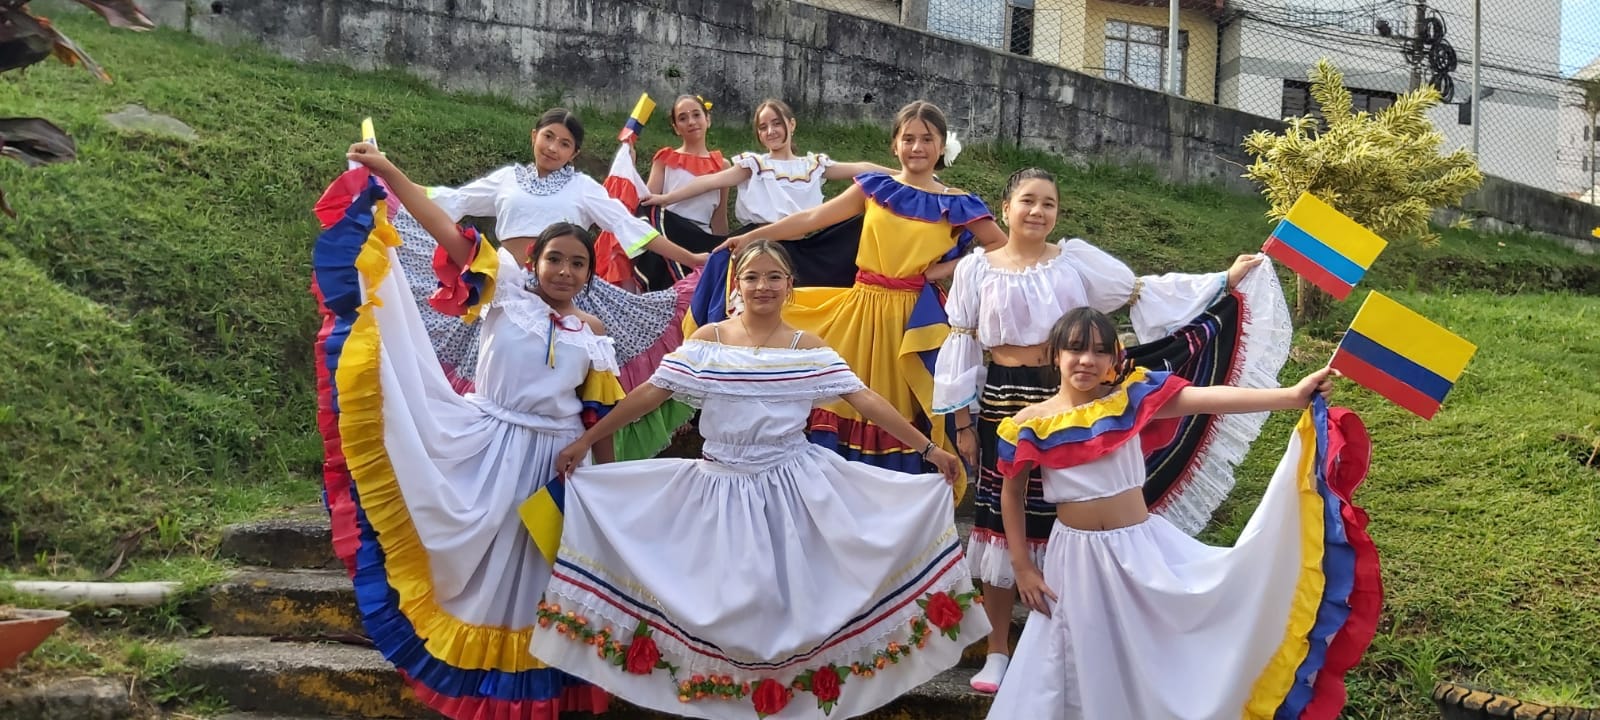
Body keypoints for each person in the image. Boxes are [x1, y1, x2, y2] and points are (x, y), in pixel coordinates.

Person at [525, 241, 991, 720]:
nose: (762, 286)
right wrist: (589, 440)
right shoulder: (709, 340)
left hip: (794, 490)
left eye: (773, 277)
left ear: (790, 286)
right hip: (718, 487)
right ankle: (723, 701)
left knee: (787, 610)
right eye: (751, 277)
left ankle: (787, 704)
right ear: (736, 285)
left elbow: (864, 399)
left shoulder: (805, 347)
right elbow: (648, 394)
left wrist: (929, 448)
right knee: (722, 606)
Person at [930, 167, 1291, 692]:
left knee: (1061, 522)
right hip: (1003, 402)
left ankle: (1076, 636)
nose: (1037, 212)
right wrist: (961, 421)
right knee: (995, 519)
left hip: (1074, 394)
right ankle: (1001, 649)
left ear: (1057, 213)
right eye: (1027, 201)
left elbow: (1139, 293)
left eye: (1048, 204)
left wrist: (1222, 281)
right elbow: (961, 342)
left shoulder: (1075, 261)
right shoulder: (974, 269)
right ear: (1004, 208)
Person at [315, 142, 633, 719]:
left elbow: (598, 416)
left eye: (578, 263)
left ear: (590, 272)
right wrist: (388, 169)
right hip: (490, 447)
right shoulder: (503, 291)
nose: (565, 271)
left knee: (541, 583)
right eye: (555, 259)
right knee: (486, 572)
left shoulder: (594, 332)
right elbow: (441, 223)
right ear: (534, 260)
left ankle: (536, 695)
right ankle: (486, 691)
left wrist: (605, 489)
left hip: (557, 466)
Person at [985, 308, 1380, 720]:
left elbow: (1205, 397)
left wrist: (1290, 396)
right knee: (1074, 653)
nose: (1087, 360)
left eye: (1100, 351)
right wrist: (1023, 567)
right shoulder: (1027, 423)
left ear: (1112, 360)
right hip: (1077, 560)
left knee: (1150, 651)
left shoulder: (1130, 400)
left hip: (1137, 549)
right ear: (1055, 355)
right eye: (1076, 348)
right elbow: (1009, 495)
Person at [355, 108, 705, 458]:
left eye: (565, 143)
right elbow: (448, 202)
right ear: (533, 135)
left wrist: (690, 259)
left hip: (568, 293)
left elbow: (627, 226)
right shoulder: (507, 180)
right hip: (507, 286)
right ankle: (491, 451)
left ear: (575, 154)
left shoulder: (582, 187)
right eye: (549, 136)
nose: (553, 147)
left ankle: (580, 460)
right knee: (500, 374)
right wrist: (387, 172)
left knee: (575, 382)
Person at [723, 100, 1008, 501]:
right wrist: (752, 237)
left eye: (927, 139)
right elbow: (811, 219)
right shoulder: (877, 188)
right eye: (908, 138)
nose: (917, 147)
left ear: (942, 146)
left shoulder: (957, 203)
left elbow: (1001, 247)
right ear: (894, 145)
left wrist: (943, 271)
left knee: (904, 409)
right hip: (862, 311)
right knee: (848, 396)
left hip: (912, 319)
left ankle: (900, 509)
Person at [642, 97, 892, 287]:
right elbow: (710, 182)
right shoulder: (755, 165)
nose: (770, 131)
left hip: (800, 244)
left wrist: (902, 176)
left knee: (859, 225)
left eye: (776, 123)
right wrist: (666, 199)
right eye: (763, 127)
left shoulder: (812, 165)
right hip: (758, 241)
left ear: (791, 124)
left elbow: (861, 168)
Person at [634, 94, 731, 291]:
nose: (691, 122)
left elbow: (719, 217)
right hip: (670, 237)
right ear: (676, 127)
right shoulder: (665, 159)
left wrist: (725, 250)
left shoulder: (723, 165)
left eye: (697, 115)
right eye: (683, 118)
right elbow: (649, 207)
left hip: (702, 237)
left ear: (708, 120)